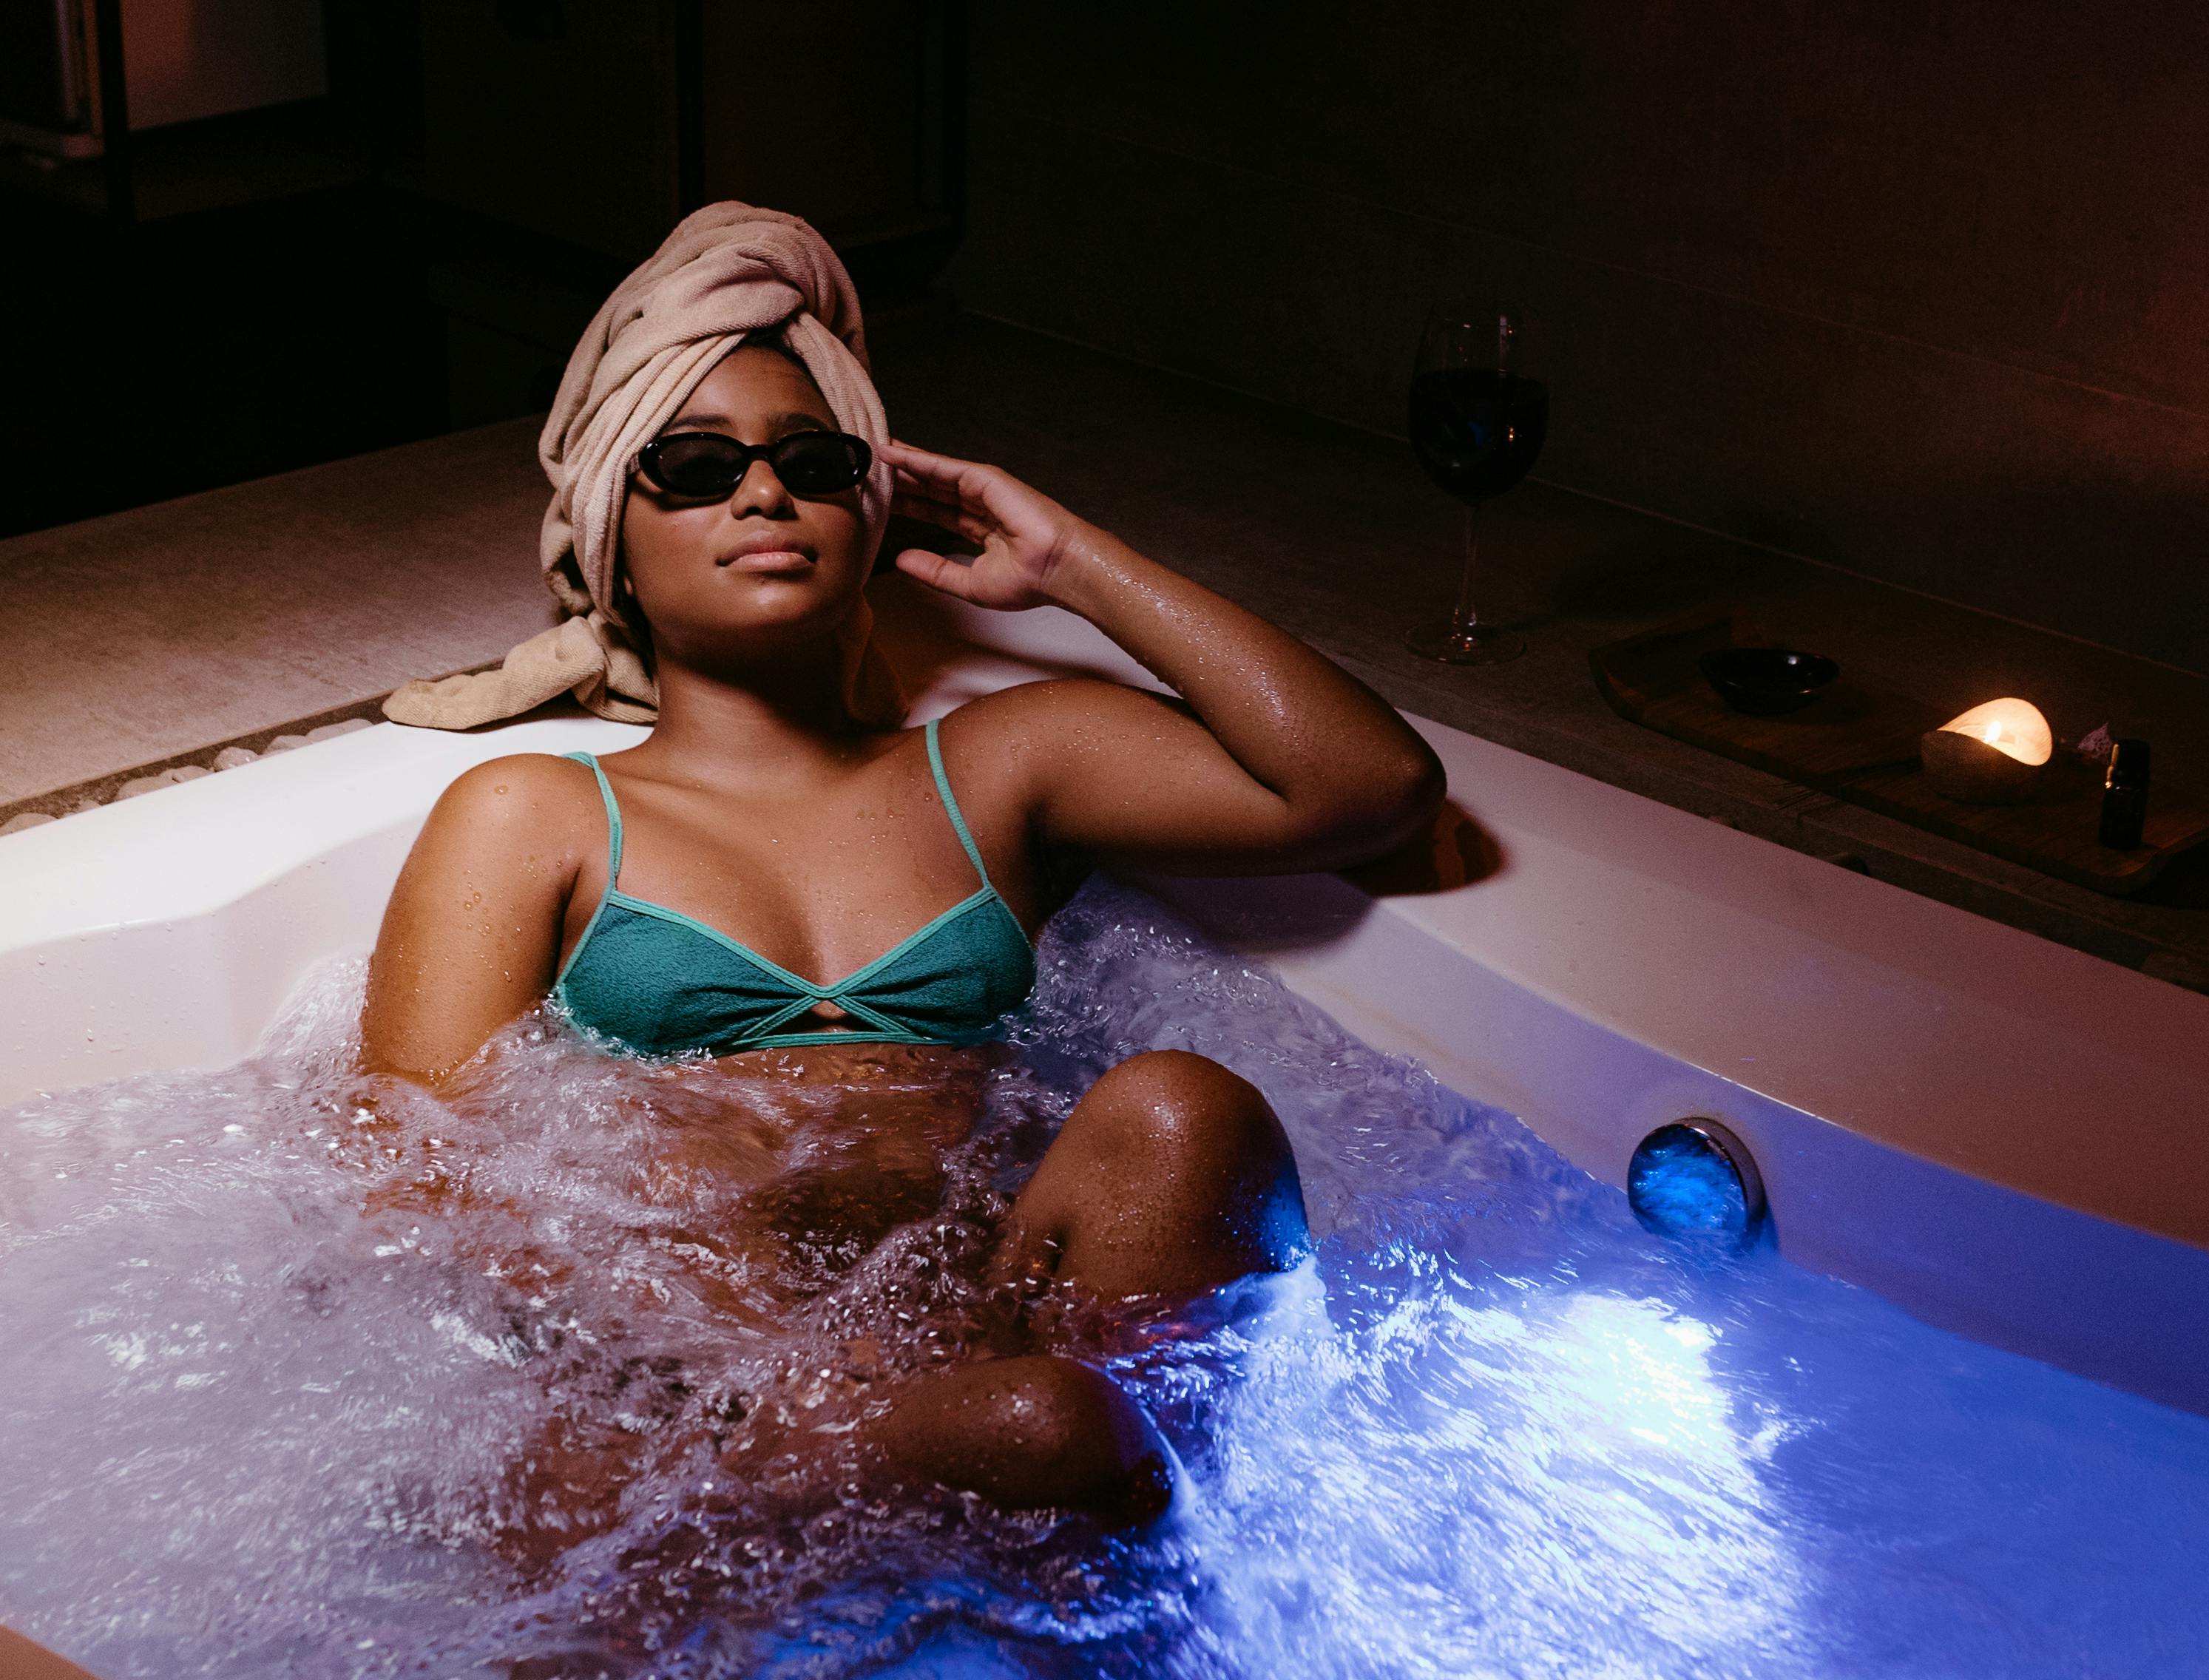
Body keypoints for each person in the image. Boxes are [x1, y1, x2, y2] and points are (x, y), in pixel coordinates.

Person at [357, 208, 1444, 1561]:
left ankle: (1119, 1563)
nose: (764, 494)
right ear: (609, 545)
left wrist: (1066, 565)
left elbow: (1365, 788)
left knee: (1184, 1115)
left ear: (869, 510)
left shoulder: (997, 765)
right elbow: (415, 1173)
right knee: (1040, 1433)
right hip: (687, 1377)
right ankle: (850, 1509)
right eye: (694, 468)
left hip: (986, 1317)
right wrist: (748, 1364)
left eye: (813, 462)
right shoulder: (539, 813)